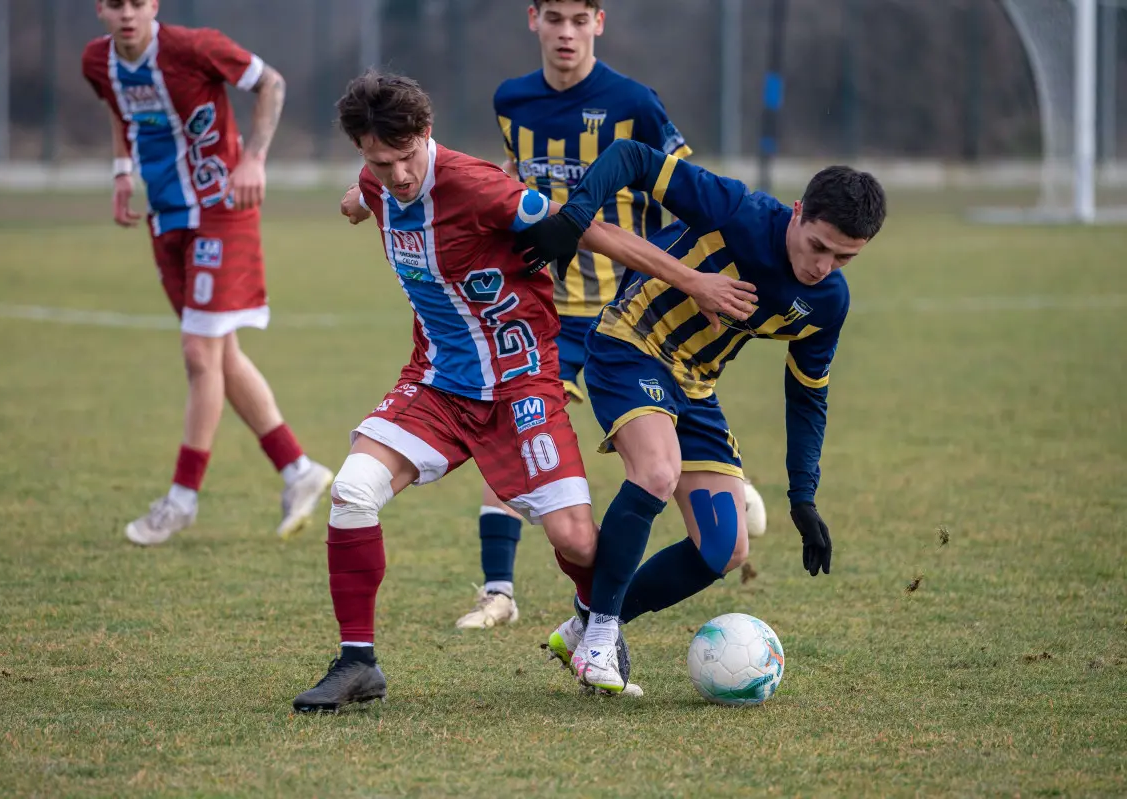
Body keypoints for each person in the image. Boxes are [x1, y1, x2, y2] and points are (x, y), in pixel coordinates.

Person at [292, 72, 758, 713]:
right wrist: (356, 200)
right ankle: (357, 663)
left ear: (428, 133)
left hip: (521, 388)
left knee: (578, 542)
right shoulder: (377, 183)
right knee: (350, 491)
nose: (399, 175)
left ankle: (599, 629)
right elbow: (367, 193)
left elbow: (592, 230)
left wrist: (695, 282)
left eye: (408, 158)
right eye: (381, 162)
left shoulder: (480, 187)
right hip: (436, 384)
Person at [513, 139, 886, 681]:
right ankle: (599, 641)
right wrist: (576, 214)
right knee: (657, 472)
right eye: (818, 246)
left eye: (844, 258)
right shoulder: (738, 210)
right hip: (629, 344)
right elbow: (630, 157)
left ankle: (587, 623)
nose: (823, 267)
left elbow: (808, 396)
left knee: (724, 548)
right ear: (798, 213)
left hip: (695, 385)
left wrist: (803, 497)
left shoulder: (828, 303)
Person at [442, 0, 697, 632]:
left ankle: (719, 497)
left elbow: (685, 186)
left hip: (625, 314)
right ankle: (498, 592)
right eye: (554, 17)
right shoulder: (512, 100)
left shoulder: (635, 101)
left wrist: (679, 274)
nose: (566, 32)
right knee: (513, 433)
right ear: (532, 19)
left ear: (600, 22)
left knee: (650, 453)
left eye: (579, 20)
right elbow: (513, 178)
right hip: (542, 310)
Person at [81, 0, 332, 546]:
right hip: (167, 215)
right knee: (219, 352)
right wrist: (122, 170)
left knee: (199, 351)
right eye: (115, 3)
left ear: (154, 6)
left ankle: (181, 499)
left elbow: (272, 84)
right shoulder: (97, 62)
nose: (127, 13)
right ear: (100, 8)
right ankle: (298, 469)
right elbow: (117, 109)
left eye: (137, 2)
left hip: (222, 208)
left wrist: (255, 158)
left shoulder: (194, 47)